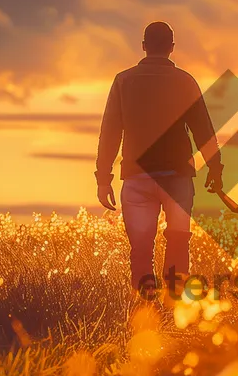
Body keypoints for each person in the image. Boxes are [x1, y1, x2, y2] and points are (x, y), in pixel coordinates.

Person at [95, 21, 223, 293]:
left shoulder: (123, 81)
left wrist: (103, 178)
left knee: (141, 247)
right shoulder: (185, 81)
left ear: (143, 46)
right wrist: (215, 168)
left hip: (136, 177)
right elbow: (203, 131)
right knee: (178, 241)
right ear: (172, 48)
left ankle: (146, 307)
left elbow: (109, 132)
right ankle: (175, 305)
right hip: (177, 177)